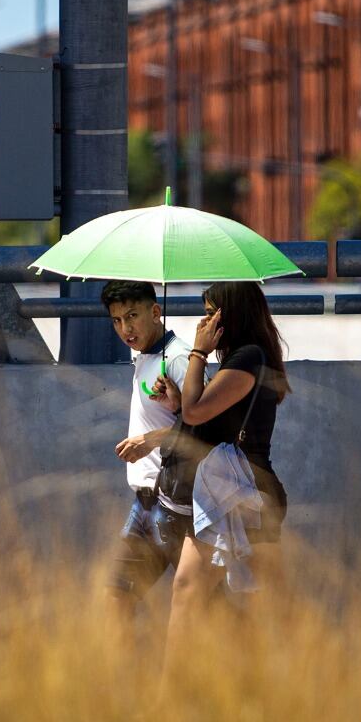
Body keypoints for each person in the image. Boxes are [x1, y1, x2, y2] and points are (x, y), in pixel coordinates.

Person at [151, 280, 291, 686]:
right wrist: (177, 400)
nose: (205, 320)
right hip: (239, 492)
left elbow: (195, 415)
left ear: (231, 316)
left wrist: (195, 352)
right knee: (223, 594)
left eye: (212, 311)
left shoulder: (248, 358)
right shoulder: (243, 359)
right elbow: (204, 416)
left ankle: (171, 698)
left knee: (232, 596)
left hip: (242, 493)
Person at [102, 280, 211, 633]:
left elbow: (210, 426)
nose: (125, 328)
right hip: (146, 503)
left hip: (175, 506)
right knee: (117, 598)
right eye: (116, 320)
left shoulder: (177, 357)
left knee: (205, 605)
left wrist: (151, 440)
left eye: (132, 316)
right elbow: (184, 414)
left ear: (155, 311)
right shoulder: (148, 356)